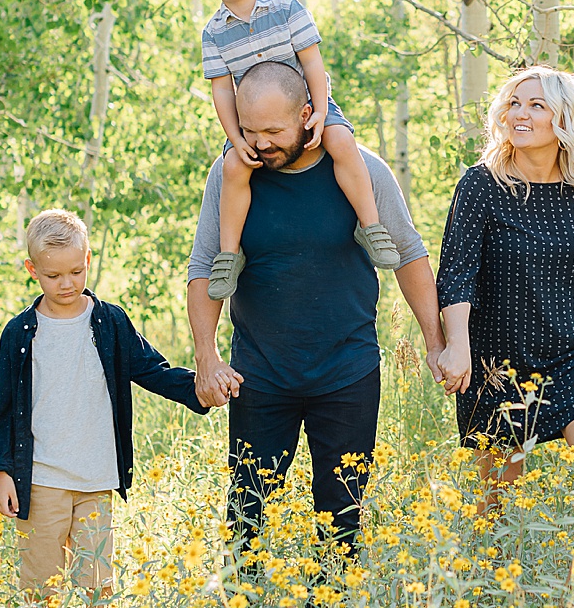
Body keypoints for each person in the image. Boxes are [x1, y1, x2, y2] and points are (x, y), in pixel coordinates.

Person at [187, 61, 446, 565]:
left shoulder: (361, 169)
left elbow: (409, 253)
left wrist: (435, 341)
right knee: (247, 520)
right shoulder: (232, 174)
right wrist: (207, 357)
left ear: (309, 115)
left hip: (346, 373)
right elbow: (204, 267)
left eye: (273, 131)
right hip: (259, 376)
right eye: (248, 130)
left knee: (342, 517)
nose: (259, 144)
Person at [0, 208, 216, 608]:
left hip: (96, 478)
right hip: (41, 480)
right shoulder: (20, 333)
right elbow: (4, 406)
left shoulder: (109, 322)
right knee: (41, 583)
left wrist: (200, 387)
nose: (67, 283)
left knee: (97, 582)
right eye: (53, 276)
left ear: (88, 259)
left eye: (75, 271)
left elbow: (151, 370)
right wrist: (2, 471)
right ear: (32, 269)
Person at [435, 66, 574, 511]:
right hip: (495, 360)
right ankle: (497, 579)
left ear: (561, 118)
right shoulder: (481, 184)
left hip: (573, 354)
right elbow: (458, 273)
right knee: (498, 499)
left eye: (536, 105)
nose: (519, 113)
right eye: (514, 103)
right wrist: (457, 346)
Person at [192, 0, 400, 300]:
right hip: (254, 122)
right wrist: (235, 138)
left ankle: (370, 225)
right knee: (234, 167)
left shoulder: (286, 9)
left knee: (341, 140)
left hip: (308, 104)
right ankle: (228, 253)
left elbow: (313, 64)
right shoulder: (214, 33)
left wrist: (321, 112)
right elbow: (222, 91)